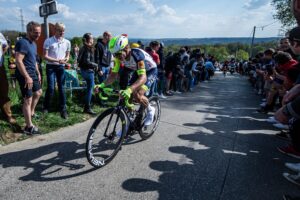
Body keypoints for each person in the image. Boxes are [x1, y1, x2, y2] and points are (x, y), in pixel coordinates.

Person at [96, 34, 157, 126]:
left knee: (137, 93)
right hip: (137, 71)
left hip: (150, 71)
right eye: (114, 54)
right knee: (126, 97)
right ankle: (129, 123)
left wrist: (129, 90)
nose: (116, 57)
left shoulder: (137, 55)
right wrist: (101, 85)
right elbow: (113, 75)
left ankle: (150, 109)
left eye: (118, 53)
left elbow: (143, 77)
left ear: (127, 48)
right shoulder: (118, 58)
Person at [15, 21, 42, 134]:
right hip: (24, 75)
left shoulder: (34, 44)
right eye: (36, 32)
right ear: (29, 31)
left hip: (33, 73)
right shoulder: (22, 42)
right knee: (28, 99)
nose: (38, 35)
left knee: (38, 92)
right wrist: (27, 76)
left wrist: (38, 72)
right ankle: (29, 127)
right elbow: (18, 60)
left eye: (39, 32)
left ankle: (31, 112)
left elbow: (34, 60)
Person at [43, 22, 71, 119]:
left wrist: (66, 60)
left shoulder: (67, 42)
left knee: (61, 88)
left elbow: (67, 55)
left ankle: (63, 109)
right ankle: (46, 107)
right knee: (50, 88)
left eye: (63, 31)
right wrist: (57, 60)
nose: (62, 32)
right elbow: (45, 56)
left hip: (61, 67)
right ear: (55, 30)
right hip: (51, 66)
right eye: (60, 30)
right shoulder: (48, 41)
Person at [77, 33, 98, 114]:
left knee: (90, 89)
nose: (93, 40)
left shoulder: (83, 47)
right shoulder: (87, 48)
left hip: (84, 70)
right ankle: (87, 107)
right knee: (90, 90)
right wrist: (95, 65)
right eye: (92, 38)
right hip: (88, 71)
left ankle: (87, 105)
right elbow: (87, 61)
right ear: (88, 40)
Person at [0, 32, 16, 124]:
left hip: (0, 67)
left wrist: (1, 54)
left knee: (3, 90)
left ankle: (8, 115)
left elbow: (5, 45)